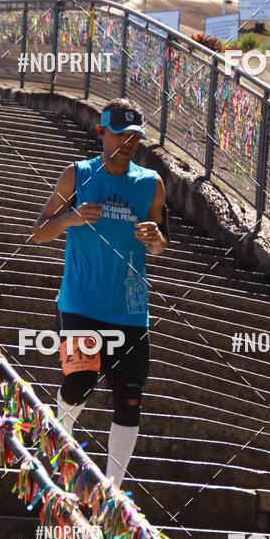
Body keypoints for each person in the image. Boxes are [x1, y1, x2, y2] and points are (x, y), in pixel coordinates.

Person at [33, 98, 169, 487]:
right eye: (121, 135)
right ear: (102, 132)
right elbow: (39, 232)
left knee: (130, 399)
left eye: (135, 137)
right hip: (81, 304)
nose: (128, 143)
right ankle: (57, 441)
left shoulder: (151, 184)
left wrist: (155, 239)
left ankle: (112, 494)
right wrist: (70, 218)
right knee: (79, 381)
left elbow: (160, 242)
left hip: (129, 309)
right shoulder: (76, 175)